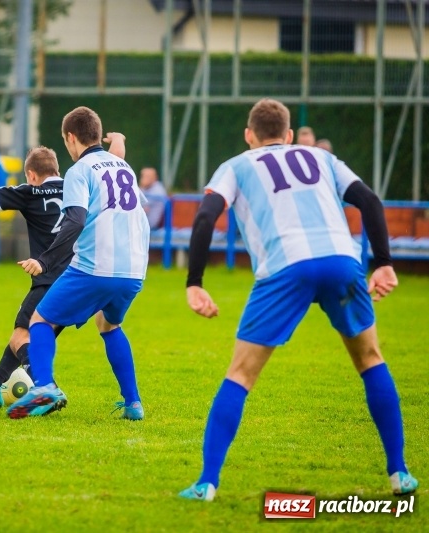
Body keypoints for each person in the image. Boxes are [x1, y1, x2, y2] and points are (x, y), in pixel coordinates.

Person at [179, 98, 418, 501]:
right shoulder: (320, 158)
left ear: (248, 136)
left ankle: (206, 482)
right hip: (341, 261)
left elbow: (205, 216)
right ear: (289, 135)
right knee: (371, 360)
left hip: (285, 266)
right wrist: (383, 262)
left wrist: (195, 281)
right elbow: (371, 202)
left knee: (240, 374)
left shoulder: (237, 164)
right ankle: (399, 474)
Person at [0, 135, 126, 407]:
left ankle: (47, 387)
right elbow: (114, 161)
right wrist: (117, 141)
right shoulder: (80, 184)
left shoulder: (29, 191)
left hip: (48, 279)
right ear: (58, 171)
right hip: (84, 277)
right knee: (31, 333)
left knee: (21, 336)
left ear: (31, 174)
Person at [5, 106, 150, 421]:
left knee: (40, 321)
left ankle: (44, 386)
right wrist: (120, 139)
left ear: (70, 138)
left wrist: (46, 260)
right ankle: (133, 403)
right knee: (109, 325)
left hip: (96, 265)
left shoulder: (79, 170)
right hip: (134, 267)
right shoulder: (124, 168)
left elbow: (75, 219)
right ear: (97, 134)